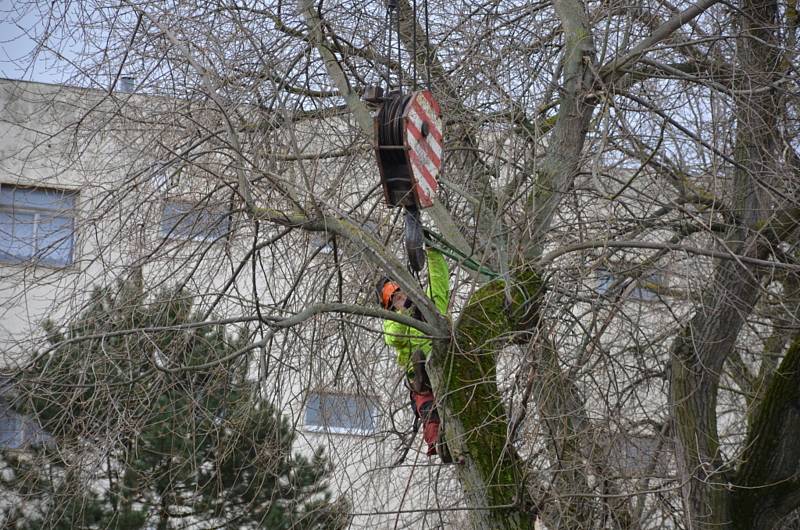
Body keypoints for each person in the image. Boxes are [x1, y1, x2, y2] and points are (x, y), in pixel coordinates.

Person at [377, 247, 451, 462]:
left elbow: (439, 282)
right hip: (421, 380)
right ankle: (439, 442)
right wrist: (406, 311)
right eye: (396, 299)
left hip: (445, 364)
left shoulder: (429, 307)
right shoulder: (393, 322)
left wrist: (433, 253)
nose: (402, 300)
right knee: (429, 410)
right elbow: (394, 337)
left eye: (403, 295)